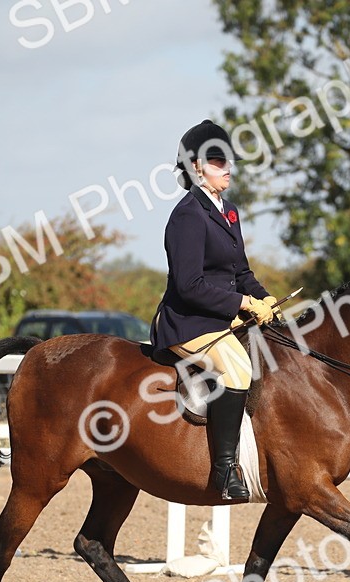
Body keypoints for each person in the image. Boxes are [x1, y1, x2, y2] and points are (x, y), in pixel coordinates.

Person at [150, 119, 277, 500]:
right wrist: (242, 302)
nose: (228, 168)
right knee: (237, 370)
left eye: (228, 160)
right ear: (195, 168)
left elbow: (240, 271)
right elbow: (189, 286)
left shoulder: (229, 211)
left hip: (223, 318)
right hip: (188, 322)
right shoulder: (188, 215)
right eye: (218, 161)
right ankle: (224, 470)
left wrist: (264, 297)